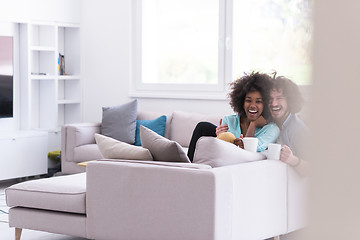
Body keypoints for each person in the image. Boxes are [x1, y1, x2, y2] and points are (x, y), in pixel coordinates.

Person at [187, 72, 280, 162]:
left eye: (258, 101)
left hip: (242, 165)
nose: (252, 105)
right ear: (242, 102)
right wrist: (219, 138)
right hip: (224, 158)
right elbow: (223, 151)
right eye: (248, 100)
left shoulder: (272, 129)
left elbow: (249, 150)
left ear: (266, 104)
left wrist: (253, 124)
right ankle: (188, 164)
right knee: (203, 126)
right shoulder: (229, 120)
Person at [269, 75, 308, 175]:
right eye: (270, 99)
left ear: (289, 101)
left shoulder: (298, 128)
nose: (274, 103)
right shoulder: (267, 123)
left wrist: (292, 159)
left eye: (279, 98)